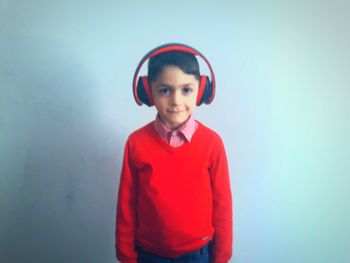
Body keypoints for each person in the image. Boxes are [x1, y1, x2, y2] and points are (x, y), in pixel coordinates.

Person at [115, 43, 233, 263]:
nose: (176, 101)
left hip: (198, 255)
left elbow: (222, 204)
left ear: (202, 89)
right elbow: (126, 204)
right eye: (165, 90)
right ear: (148, 92)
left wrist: (221, 256)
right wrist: (125, 254)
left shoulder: (212, 144)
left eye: (186, 90)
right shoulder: (136, 143)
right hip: (149, 255)